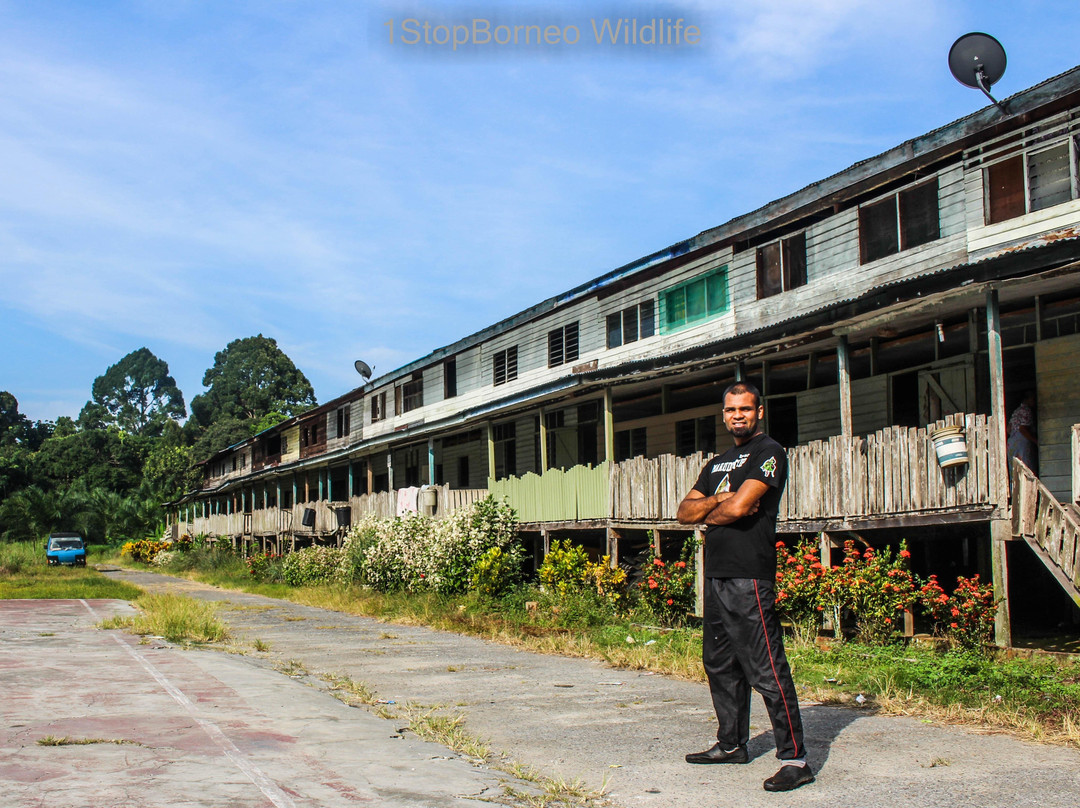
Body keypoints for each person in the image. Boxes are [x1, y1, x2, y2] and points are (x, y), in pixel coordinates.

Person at [677, 382, 813, 793]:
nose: (738, 415)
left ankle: (796, 760)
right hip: (716, 574)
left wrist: (716, 507)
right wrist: (723, 503)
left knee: (766, 668)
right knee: (719, 664)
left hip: (749, 575)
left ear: (760, 412)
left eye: (745, 409)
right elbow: (684, 512)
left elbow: (740, 507)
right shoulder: (717, 463)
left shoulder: (768, 453)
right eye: (731, 409)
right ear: (724, 414)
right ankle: (732, 744)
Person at [1006, 390, 1038, 481]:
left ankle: (1016, 493)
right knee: (1026, 469)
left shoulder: (1016, 411)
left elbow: (1009, 429)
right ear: (1027, 399)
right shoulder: (1026, 411)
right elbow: (1022, 429)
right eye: (1032, 399)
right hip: (1022, 443)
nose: (1034, 401)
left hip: (1012, 443)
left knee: (1015, 470)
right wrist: (1035, 441)